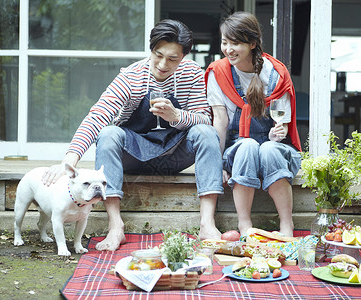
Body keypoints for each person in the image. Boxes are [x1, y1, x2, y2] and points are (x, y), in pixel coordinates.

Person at [42, 19, 223, 251]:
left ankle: (207, 224)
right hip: (135, 156)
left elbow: (204, 118)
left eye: (172, 59)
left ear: (184, 56)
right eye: (158, 55)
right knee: (108, 134)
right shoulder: (131, 77)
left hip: (175, 154)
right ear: (151, 49)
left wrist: (176, 115)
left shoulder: (193, 74)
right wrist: (70, 159)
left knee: (206, 132)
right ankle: (116, 226)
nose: (163, 64)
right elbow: (98, 115)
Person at [205, 11, 302, 237]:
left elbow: (283, 123)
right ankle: (244, 225)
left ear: (252, 43)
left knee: (267, 148)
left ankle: (286, 224)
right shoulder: (218, 73)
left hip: (275, 149)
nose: (228, 49)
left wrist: (279, 132)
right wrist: (217, 163)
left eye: (235, 43)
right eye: (224, 42)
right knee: (248, 145)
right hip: (238, 149)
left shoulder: (276, 73)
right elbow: (220, 121)